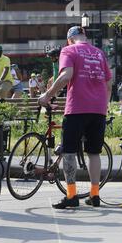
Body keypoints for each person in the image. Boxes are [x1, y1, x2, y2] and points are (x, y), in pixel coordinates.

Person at [38, 26, 112, 209]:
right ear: (84, 37)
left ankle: (71, 195)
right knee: (94, 152)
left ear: (69, 39)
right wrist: (105, 104)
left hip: (77, 108)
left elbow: (66, 75)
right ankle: (95, 195)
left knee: (69, 151)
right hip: (99, 109)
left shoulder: (69, 50)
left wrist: (47, 95)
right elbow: (109, 83)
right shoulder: (99, 53)